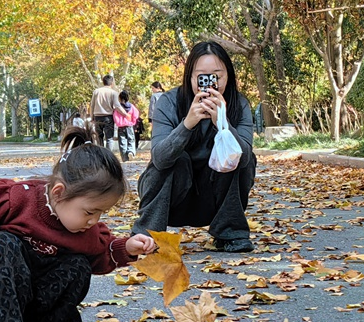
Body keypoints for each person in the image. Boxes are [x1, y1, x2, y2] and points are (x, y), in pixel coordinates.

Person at [0, 127, 158, 322]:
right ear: (59, 193)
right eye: (90, 211)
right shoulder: (19, 198)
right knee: (3, 243)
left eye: (102, 213)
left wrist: (128, 248)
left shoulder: (85, 231)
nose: (94, 220)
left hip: (30, 289)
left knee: (77, 264)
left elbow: (102, 250)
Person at [132, 42, 257, 253]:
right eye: (201, 77)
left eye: (217, 76)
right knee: (176, 157)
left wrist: (224, 125)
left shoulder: (239, 104)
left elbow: (244, 161)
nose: (209, 83)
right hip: (174, 200)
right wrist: (187, 125)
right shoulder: (169, 103)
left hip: (213, 198)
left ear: (228, 76)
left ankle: (230, 232)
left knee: (239, 153)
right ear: (190, 77)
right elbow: (160, 159)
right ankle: (147, 237)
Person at [90, 75, 128, 150]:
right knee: (109, 138)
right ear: (112, 83)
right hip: (108, 117)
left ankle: (100, 155)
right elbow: (117, 106)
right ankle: (108, 156)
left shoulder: (96, 92)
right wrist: (125, 114)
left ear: (103, 82)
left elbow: (92, 105)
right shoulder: (113, 93)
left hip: (97, 116)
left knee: (99, 137)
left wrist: (92, 117)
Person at [114, 90, 139, 162]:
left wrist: (118, 123)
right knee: (131, 140)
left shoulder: (118, 108)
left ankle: (124, 158)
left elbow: (115, 117)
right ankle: (131, 152)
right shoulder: (131, 106)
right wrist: (132, 121)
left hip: (121, 127)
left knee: (122, 142)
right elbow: (136, 115)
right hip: (129, 126)